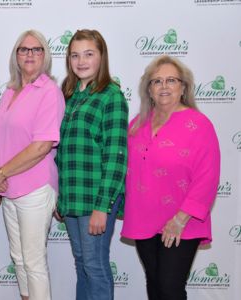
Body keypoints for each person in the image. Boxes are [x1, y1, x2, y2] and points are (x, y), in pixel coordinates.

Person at [121, 55, 220, 300]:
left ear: (183, 87)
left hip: (181, 222)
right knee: (154, 285)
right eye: (156, 81)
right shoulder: (136, 125)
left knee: (170, 288)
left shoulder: (199, 124)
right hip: (144, 219)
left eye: (171, 80)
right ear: (149, 90)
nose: (164, 86)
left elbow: (208, 176)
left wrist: (180, 219)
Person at [0, 29, 65, 300]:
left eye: (36, 49)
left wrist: (1, 173)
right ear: (16, 56)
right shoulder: (10, 92)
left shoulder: (49, 91)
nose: (30, 54)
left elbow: (42, 146)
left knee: (33, 262)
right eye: (24, 49)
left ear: (45, 55)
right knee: (19, 258)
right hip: (9, 189)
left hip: (35, 187)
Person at [56, 29, 128, 300]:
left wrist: (103, 206)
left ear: (101, 57)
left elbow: (116, 155)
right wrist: (60, 197)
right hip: (72, 198)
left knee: (95, 266)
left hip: (96, 199)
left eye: (89, 54)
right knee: (82, 266)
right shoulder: (70, 95)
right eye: (75, 55)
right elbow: (63, 152)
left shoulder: (111, 96)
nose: (81, 61)